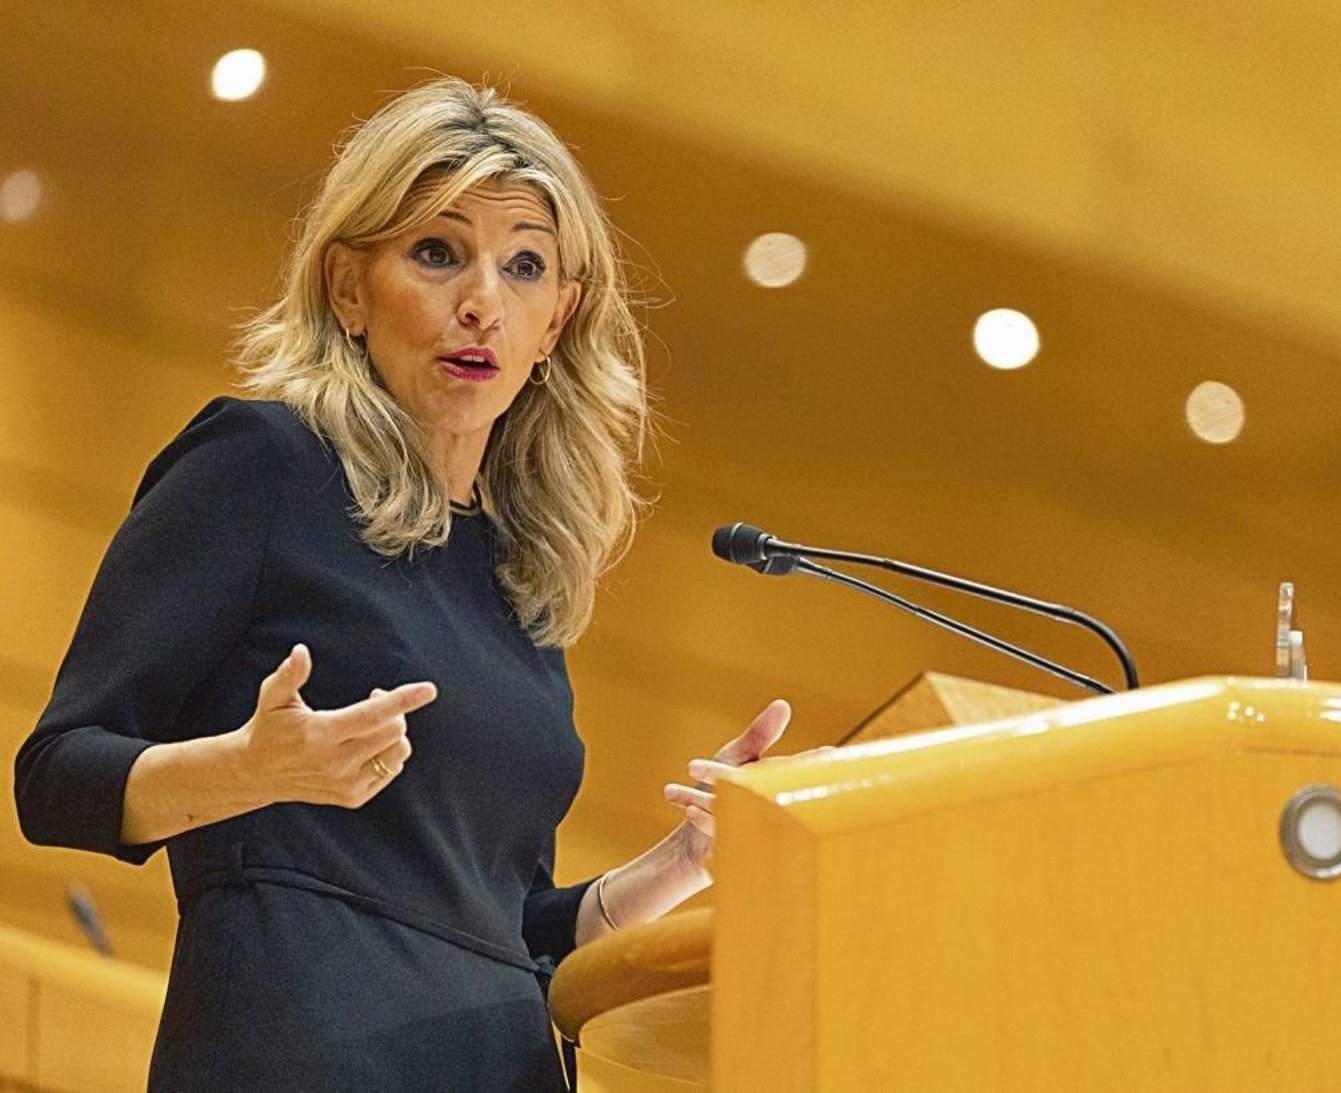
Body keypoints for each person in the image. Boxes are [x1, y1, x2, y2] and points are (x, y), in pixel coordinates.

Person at [12, 76, 788, 1091]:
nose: (481, 302)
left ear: (557, 322)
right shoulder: (263, 466)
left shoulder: (522, 571)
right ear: (347, 286)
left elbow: (505, 930)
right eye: (437, 251)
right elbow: (57, 778)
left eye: (522, 268)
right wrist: (255, 767)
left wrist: (683, 861)